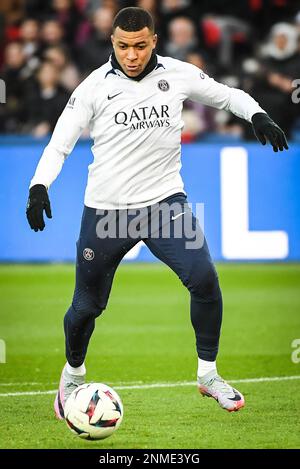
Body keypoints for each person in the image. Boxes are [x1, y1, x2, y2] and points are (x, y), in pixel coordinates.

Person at [26, 7, 288, 418]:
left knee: (204, 279)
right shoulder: (94, 87)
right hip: (108, 212)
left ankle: (208, 374)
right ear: (113, 42)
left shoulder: (177, 74)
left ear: (154, 42)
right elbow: (59, 144)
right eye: (123, 46)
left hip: (164, 204)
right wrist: (39, 186)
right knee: (87, 306)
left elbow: (226, 94)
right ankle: (73, 374)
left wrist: (257, 113)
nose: (131, 55)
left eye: (140, 46)